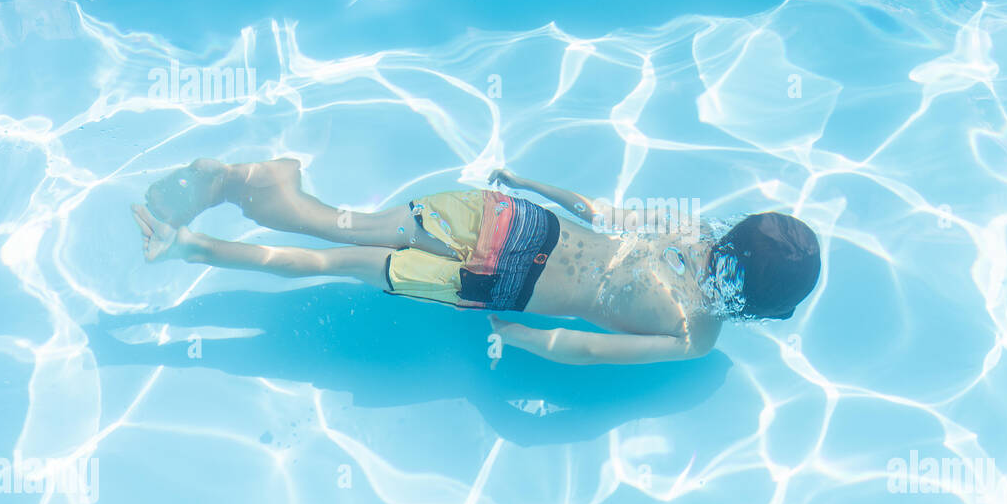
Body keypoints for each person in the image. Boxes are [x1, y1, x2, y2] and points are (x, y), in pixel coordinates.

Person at [131, 158, 820, 365]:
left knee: (348, 226)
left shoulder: (693, 229)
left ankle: (255, 186)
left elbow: (602, 212)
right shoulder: (697, 334)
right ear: (765, 308)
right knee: (341, 264)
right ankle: (188, 247)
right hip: (503, 282)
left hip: (516, 220)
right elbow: (583, 350)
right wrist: (521, 336)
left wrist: (529, 185)